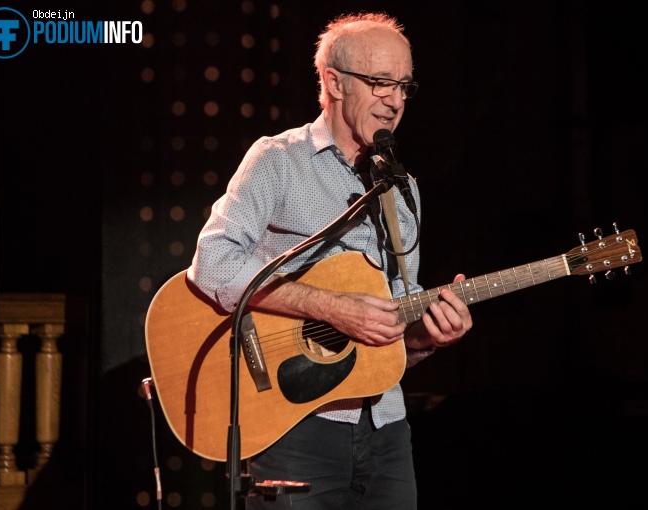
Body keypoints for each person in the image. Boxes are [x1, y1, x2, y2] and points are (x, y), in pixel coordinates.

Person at [188, 12, 473, 510]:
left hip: (386, 429)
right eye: (381, 82)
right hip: (294, 426)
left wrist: (428, 336)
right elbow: (211, 262)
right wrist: (330, 308)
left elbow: (393, 325)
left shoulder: (403, 190)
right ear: (333, 82)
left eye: (404, 85)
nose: (395, 100)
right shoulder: (277, 160)